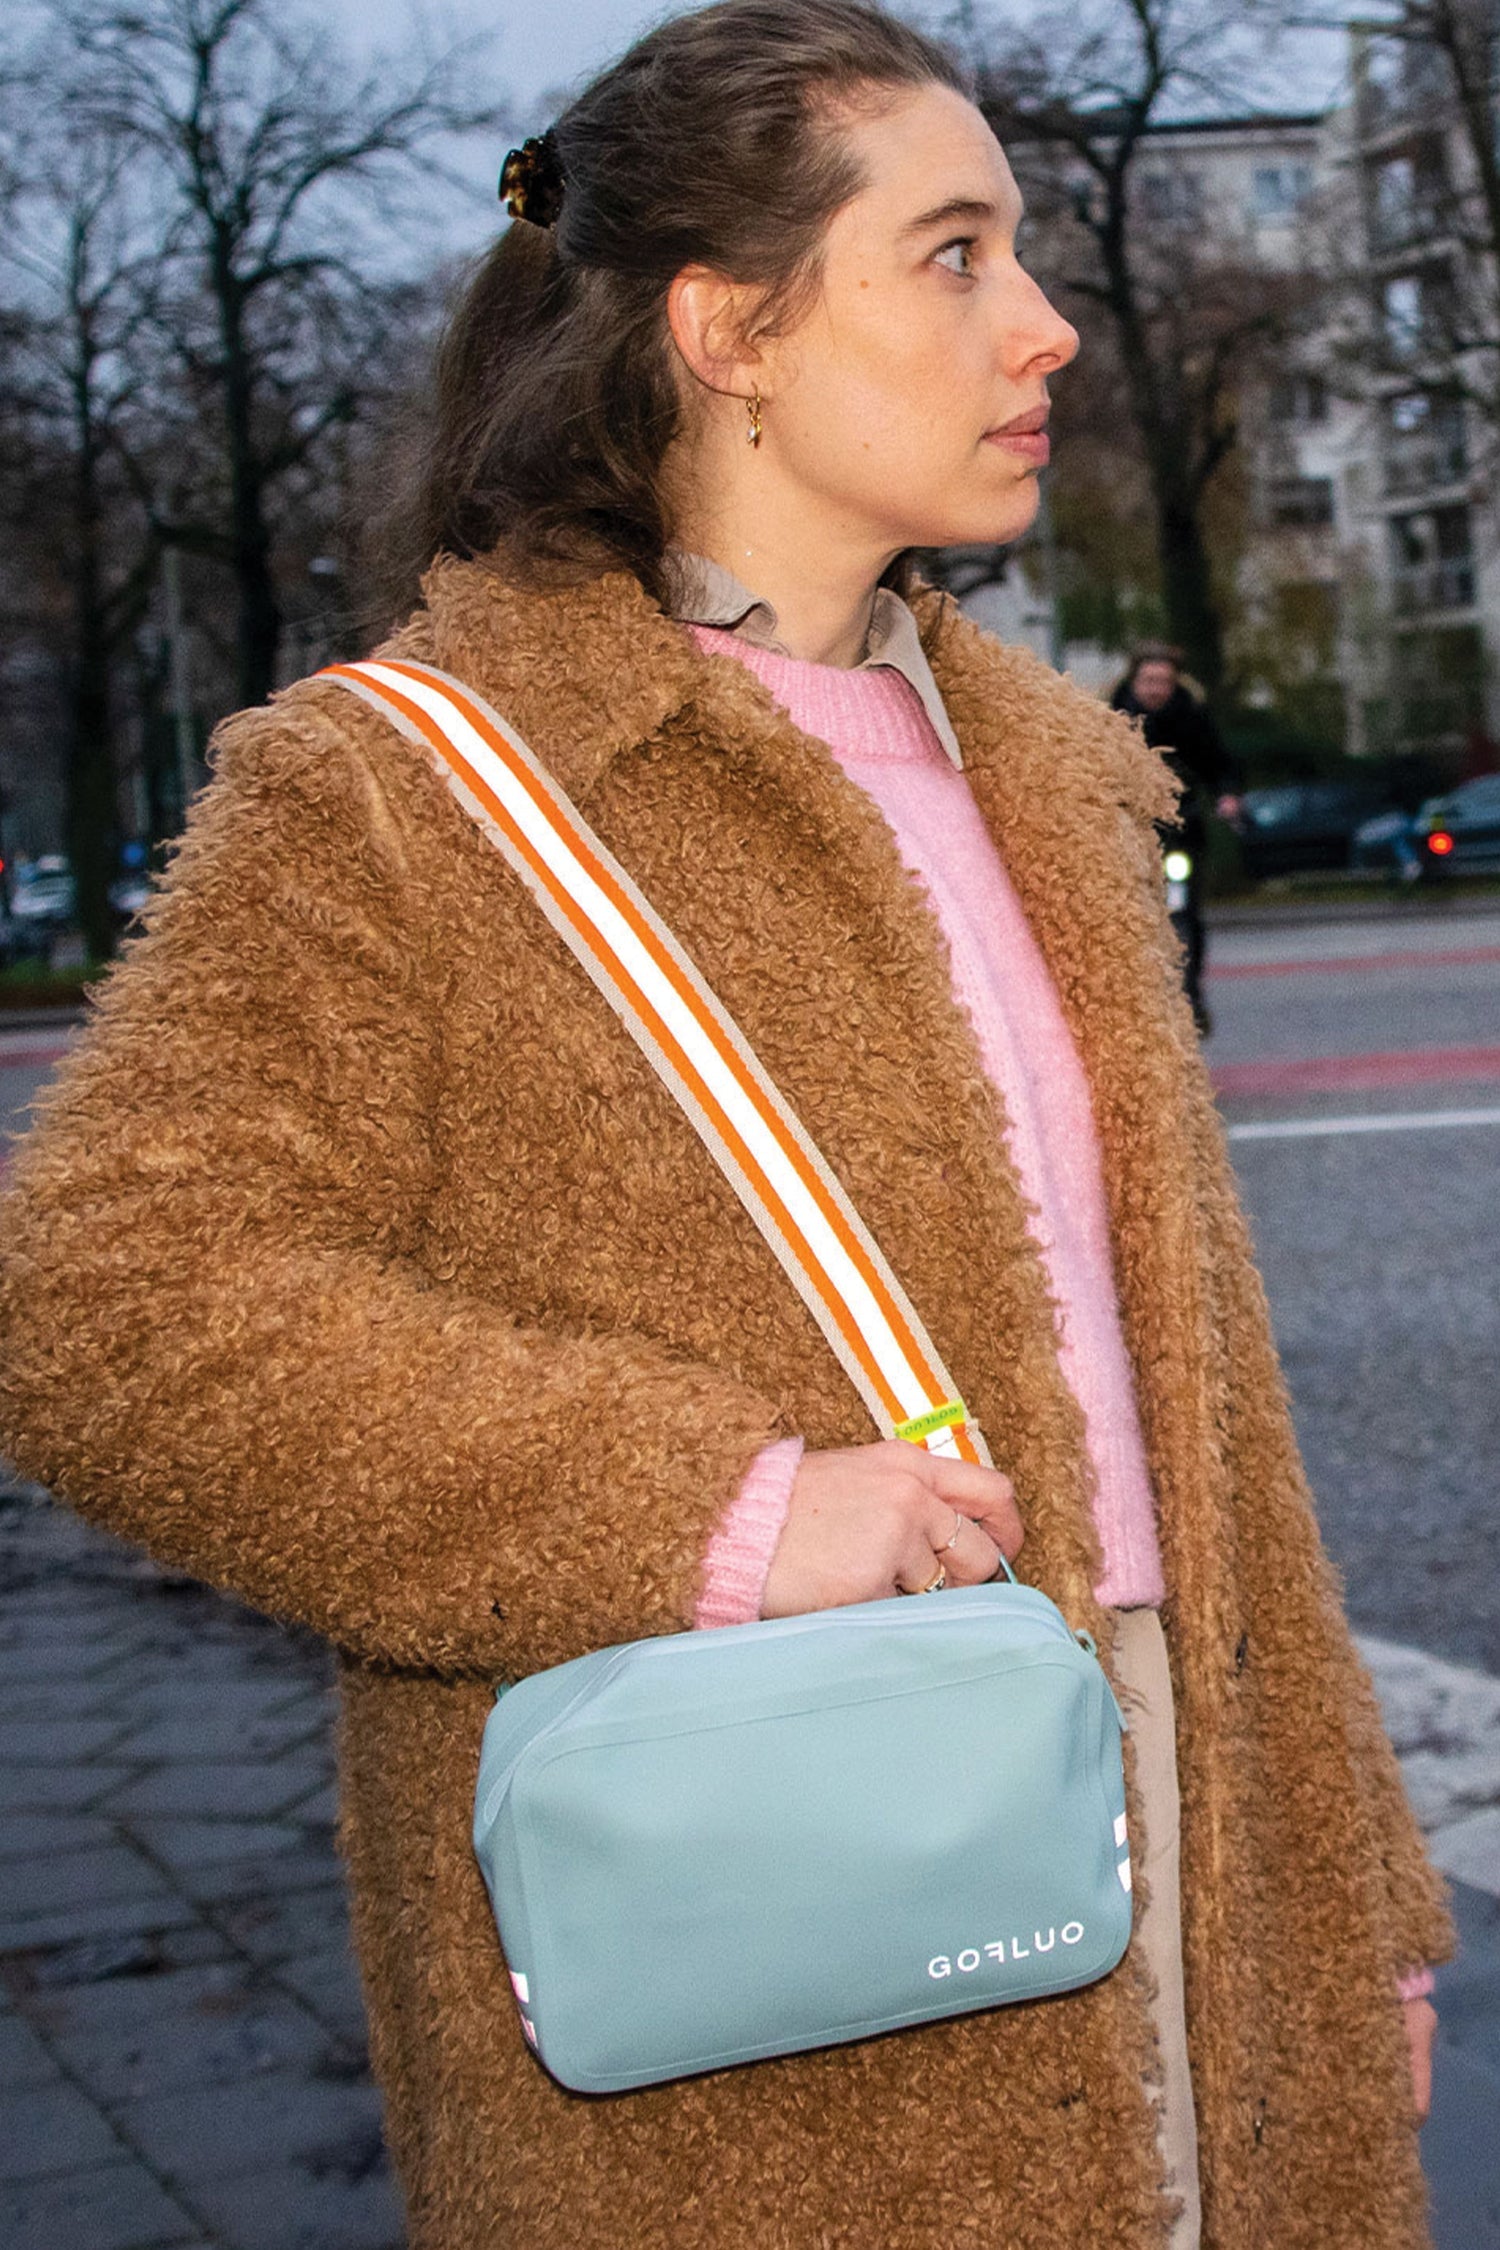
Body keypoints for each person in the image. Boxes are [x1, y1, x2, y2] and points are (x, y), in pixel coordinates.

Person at [0, 6, 1447, 2247]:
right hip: (784, 1946)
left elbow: (1214, 1422)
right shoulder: (408, 786)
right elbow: (97, 1301)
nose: (1044, 323)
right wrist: (713, 1509)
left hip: (1207, 1869)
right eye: (953, 254)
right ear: (730, 328)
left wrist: (1351, 1891)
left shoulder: (1061, 773)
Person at [1110, 645, 1242, 1035]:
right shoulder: (1113, 718)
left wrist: (1228, 795)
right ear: (1135, 681)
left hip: (1183, 829)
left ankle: (1191, 993)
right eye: (1149, 680)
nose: (1156, 689)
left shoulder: (1191, 717)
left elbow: (1218, 763)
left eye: (1164, 682)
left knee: (1186, 913)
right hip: (1131, 831)